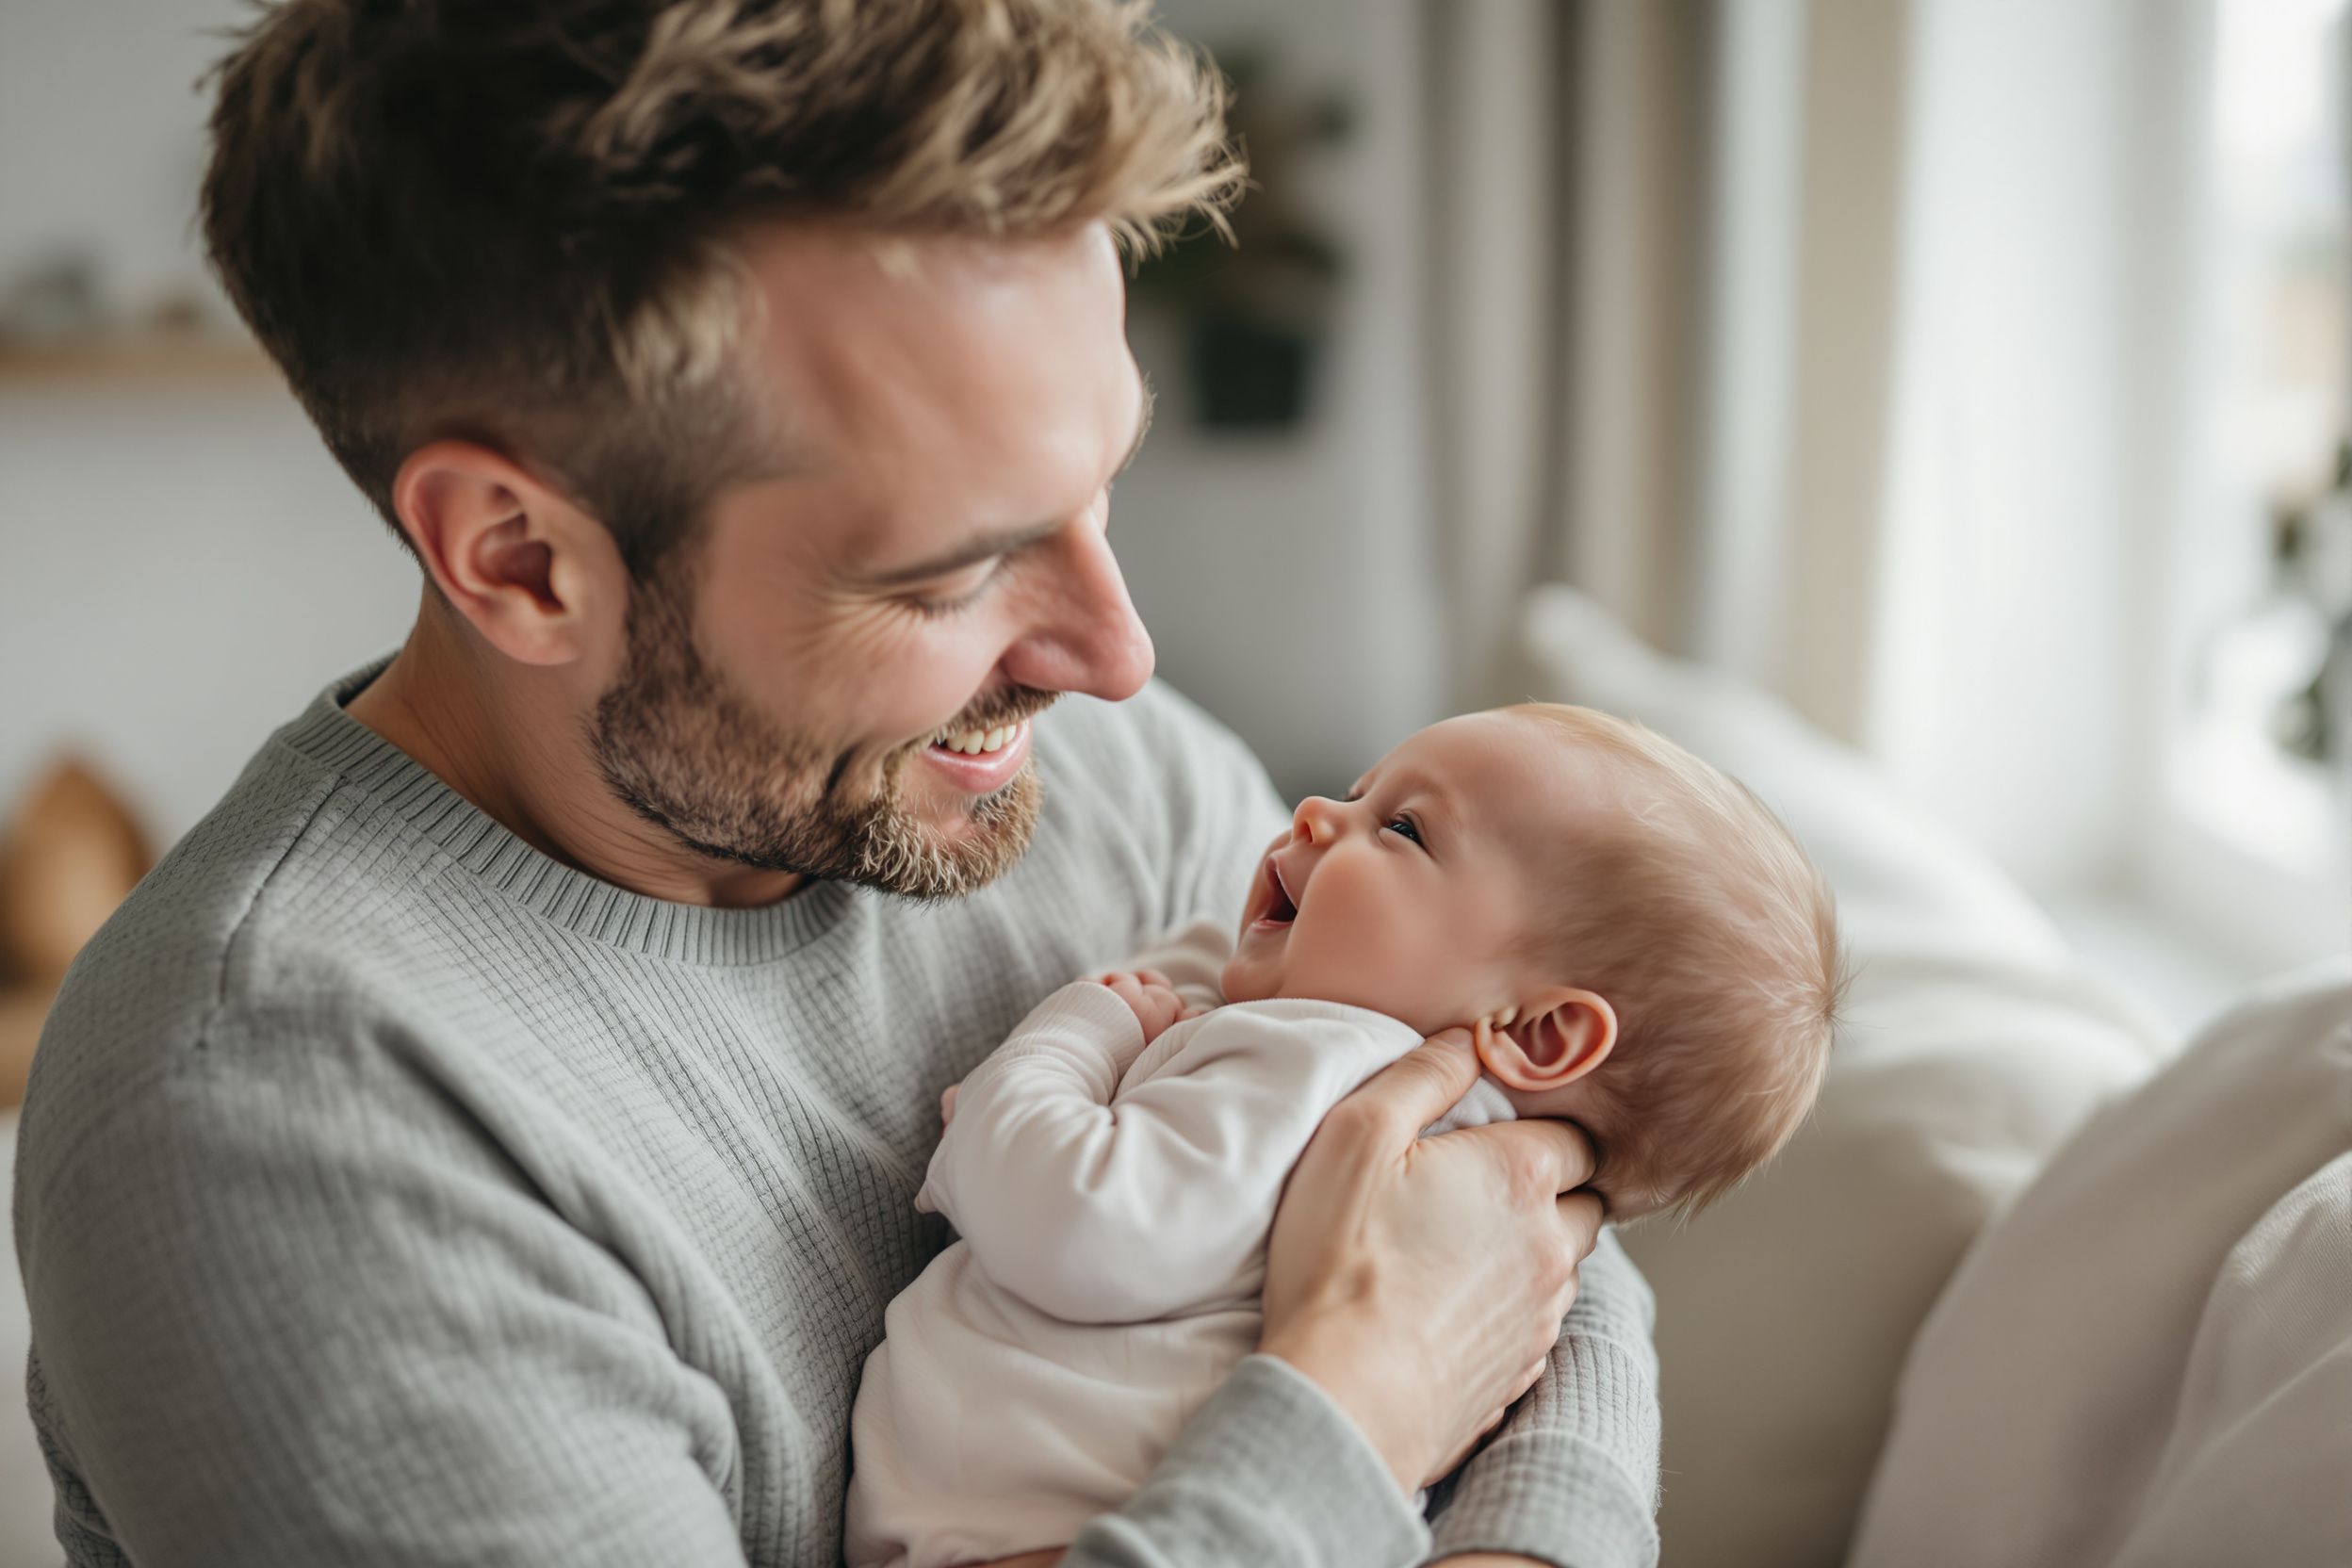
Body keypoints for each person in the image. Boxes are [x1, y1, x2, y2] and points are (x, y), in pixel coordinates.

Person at [12, 4, 1662, 1565]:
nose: (1116, 653)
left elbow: (1516, 1202)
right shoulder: (279, 1122)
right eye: (953, 571)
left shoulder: (1098, 776)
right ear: (521, 559)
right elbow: (1424, 1296)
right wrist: (1355, 1404)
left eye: (1102, 485)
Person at [845, 704, 1840, 1568]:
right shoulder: (1410, 1104)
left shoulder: (1313, 1057)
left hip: (1051, 1520)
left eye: (1402, 827)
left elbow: (1073, 1215)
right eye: (1364, 789)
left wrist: (1078, 1031)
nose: (1317, 811)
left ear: (1540, 1032)